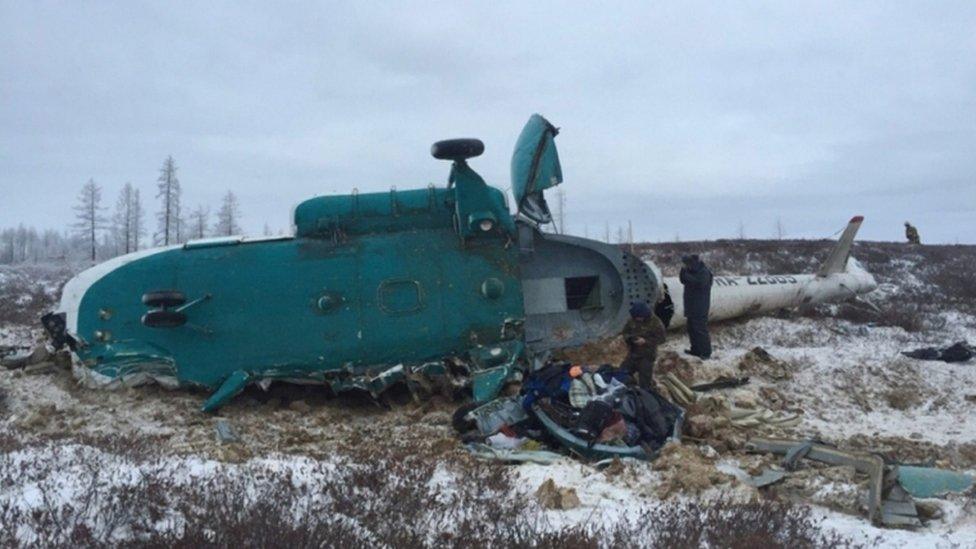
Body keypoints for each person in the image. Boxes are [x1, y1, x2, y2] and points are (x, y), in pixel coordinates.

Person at [619, 301, 666, 390]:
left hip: (647, 355)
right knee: (622, 373)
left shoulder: (655, 323)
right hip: (633, 353)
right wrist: (631, 339)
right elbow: (625, 332)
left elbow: (662, 339)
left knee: (645, 382)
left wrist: (645, 341)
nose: (637, 320)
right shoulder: (632, 321)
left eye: (639, 318)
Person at [679, 254, 713, 359]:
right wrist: (682, 271)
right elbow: (683, 280)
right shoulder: (691, 271)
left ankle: (706, 352)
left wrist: (686, 274)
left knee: (700, 329)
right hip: (691, 305)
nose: (686, 266)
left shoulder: (704, 272)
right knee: (692, 328)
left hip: (700, 306)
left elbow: (699, 283)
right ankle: (696, 350)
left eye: (687, 264)